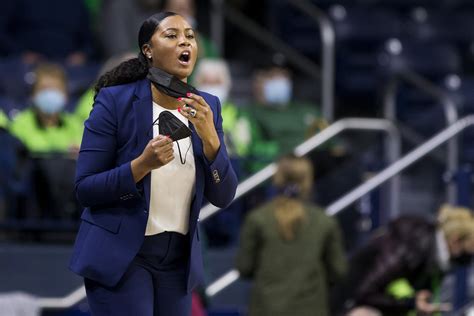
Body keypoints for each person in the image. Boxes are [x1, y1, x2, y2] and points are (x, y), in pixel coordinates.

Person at [69, 12, 237, 316]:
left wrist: (212, 142)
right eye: (171, 35)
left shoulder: (207, 105)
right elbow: (85, 188)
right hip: (123, 255)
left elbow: (223, 196)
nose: (184, 41)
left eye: (189, 35)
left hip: (178, 258)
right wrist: (140, 166)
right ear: (148, 50)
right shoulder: (115, 101)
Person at [236, 154, 347, 316]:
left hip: (266, 309)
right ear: (308, 180)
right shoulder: (325, 222)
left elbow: (244, 267)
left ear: (277, 179)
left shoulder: (257, 219)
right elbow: (339, 271)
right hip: (311, 310)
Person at [334, 204, 474, 316]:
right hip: (347, 305)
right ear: (455, 240)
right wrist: (411, 303)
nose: (470, 256)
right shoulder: (410, 246)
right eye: (470, 249)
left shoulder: (437, 260)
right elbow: (365, 292)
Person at [9, 63, 83, 219]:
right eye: (44, 89)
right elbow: (24, 154)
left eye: (56, 89)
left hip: (69, 188)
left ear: (65, 94)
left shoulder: (75, 124)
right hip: (35, 190)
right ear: (33, 95)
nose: (50, 94)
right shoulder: (20, 123)